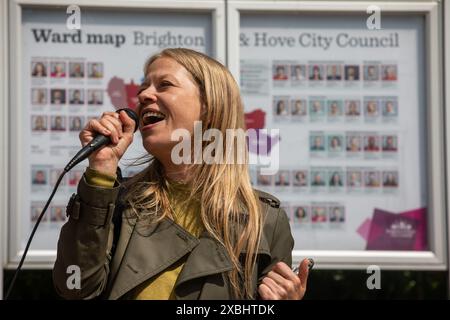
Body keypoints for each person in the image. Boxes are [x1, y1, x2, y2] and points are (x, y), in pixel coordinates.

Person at [53, 48, 310, 300]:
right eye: (143, 87)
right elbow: (75, 288)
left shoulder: (264, 219)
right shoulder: (120, 201)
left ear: (209, 106)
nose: (143, 95)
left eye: (164, 85)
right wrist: (100, 171)